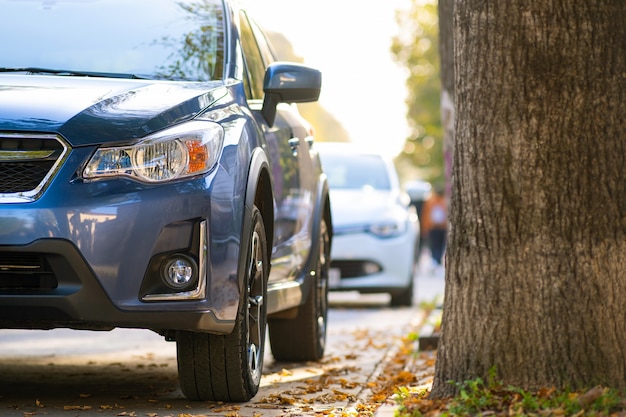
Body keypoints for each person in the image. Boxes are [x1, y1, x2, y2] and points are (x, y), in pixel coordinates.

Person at [421, 183, 447, 272]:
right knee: (434, 245)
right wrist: (425, 227)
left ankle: (437, 262)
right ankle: (435, 261)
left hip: (442, 227)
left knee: (440, 245)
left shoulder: (444, 201)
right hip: (433, 227)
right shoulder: (430, 202)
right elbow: (426, 215)